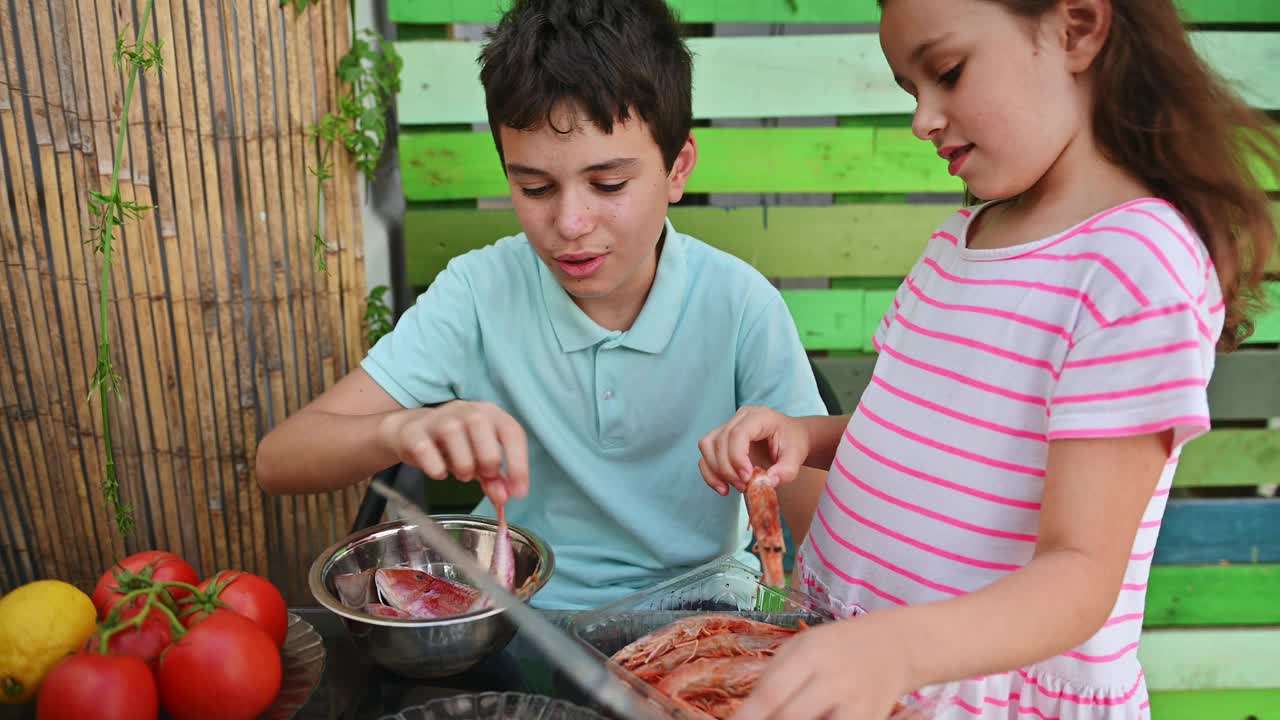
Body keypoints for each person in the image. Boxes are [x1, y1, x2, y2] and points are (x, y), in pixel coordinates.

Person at [697, 0, 1280, 717]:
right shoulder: (962, 240)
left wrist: (896, 648)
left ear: (1077, 27)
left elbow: (1080, 574)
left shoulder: (1136, 265)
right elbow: (923, 432)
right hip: (864, 666)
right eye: (912, 90)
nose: (922, 118)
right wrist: (806, 436)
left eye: (947, 72)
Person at [255, 0, 829, 610]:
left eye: (609, 185)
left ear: (677, 168)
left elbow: (821, 525)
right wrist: (404, 426)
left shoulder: (740, 305)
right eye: (534, 188)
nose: (570, 222)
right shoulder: (479, 293)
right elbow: (281, 459)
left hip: (706, 616)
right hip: (522, 621)